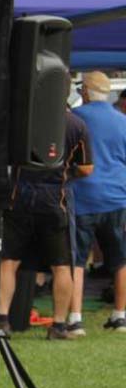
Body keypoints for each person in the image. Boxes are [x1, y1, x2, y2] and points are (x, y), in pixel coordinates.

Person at [0, 109, 92, 339]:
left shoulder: (22, 119)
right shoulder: (77, 125)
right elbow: (86, 168)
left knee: (9, 261)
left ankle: (2, 320)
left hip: (19, 196)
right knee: (61, 265)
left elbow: (4, 156)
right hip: (55, 198)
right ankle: (58, 325)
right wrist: (66, 172)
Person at [71, 71, 126, 333]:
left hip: (82, 196)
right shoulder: (122, 121)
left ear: (84, 91)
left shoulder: (75, 118)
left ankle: (75, 318)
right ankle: (120, 315)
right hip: (116, 197)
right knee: (120, 260)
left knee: (77, 261)